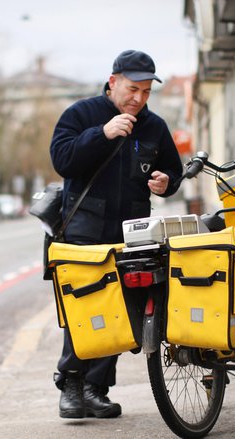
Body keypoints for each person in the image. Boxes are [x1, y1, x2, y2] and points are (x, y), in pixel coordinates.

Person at [49, 49, 183, 419]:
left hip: (133, 233)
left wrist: (166, 181)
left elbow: (173, 169)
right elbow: (61, 159)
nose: (138, 99)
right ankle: (71, 386)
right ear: (113, 82)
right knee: (86, 306)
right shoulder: (82, 115)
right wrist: (101, 134)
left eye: (146, 92)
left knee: (124, 311)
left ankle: (97, 388)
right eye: (132, 89)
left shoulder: (153, 126)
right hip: (84, 231)